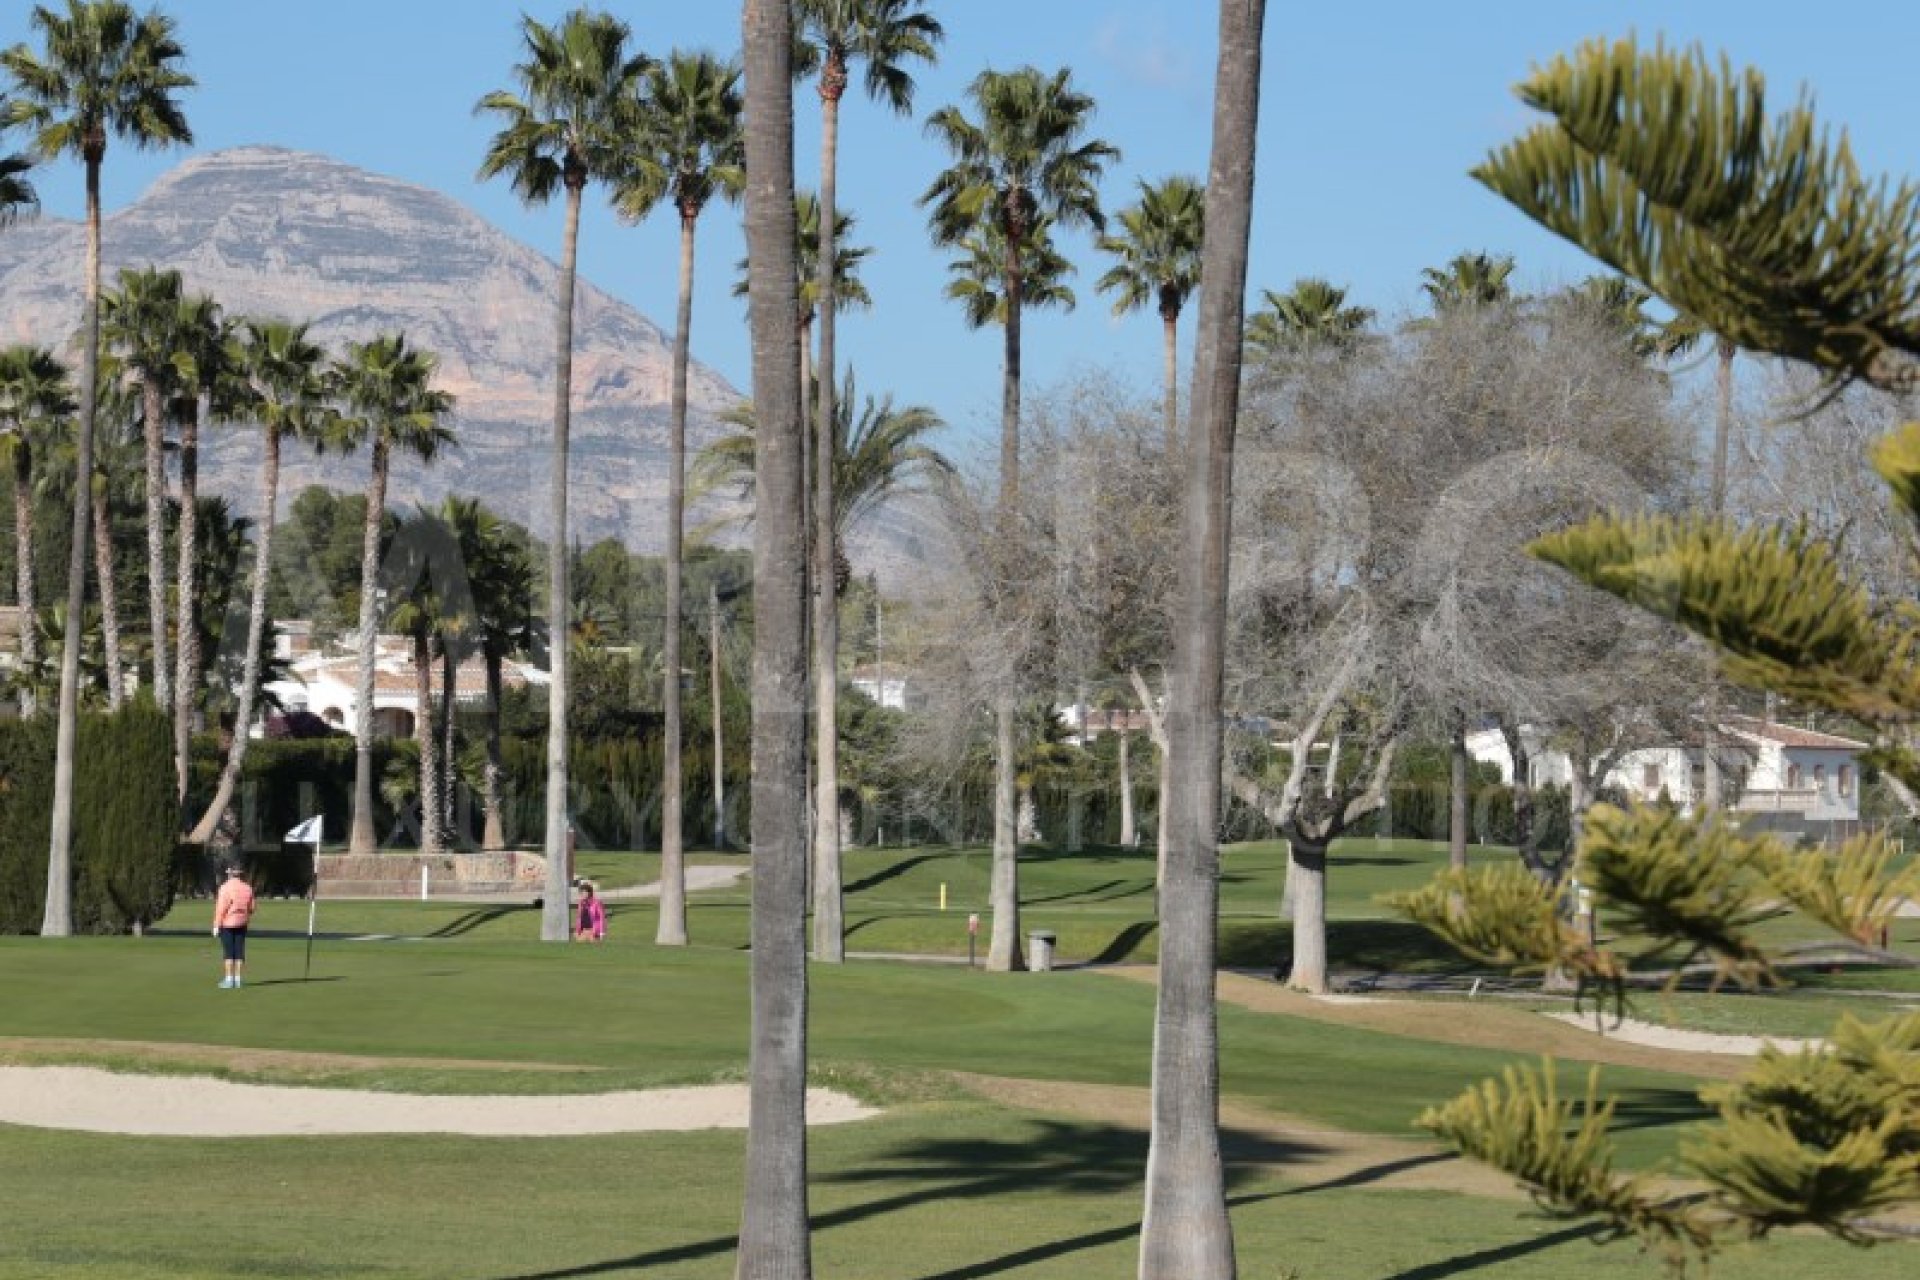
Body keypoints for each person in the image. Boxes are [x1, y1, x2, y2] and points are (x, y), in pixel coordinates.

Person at [212, 864, 256, 989]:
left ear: (230, 874)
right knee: (239, 951)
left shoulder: (225, 888)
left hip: (227, 924)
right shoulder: (248, 888)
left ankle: (229, 979)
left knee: (229, 952)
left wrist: (216, 925)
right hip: (242, 923)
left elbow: (221, 908)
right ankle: (238, 980)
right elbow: (252, 908)